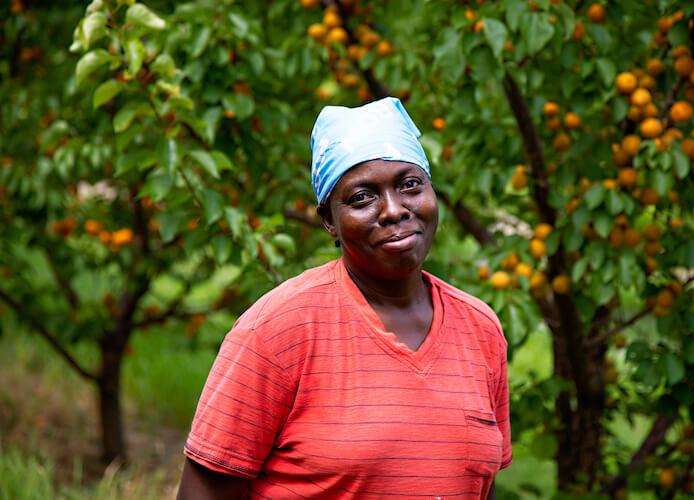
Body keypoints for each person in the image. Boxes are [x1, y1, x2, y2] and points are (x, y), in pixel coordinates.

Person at [177, 97, 511, 499]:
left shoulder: (480, 329)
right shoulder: (277, 330)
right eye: (362, 197)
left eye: (409, 185)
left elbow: (481, 487)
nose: (393, 210)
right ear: (328, 222)